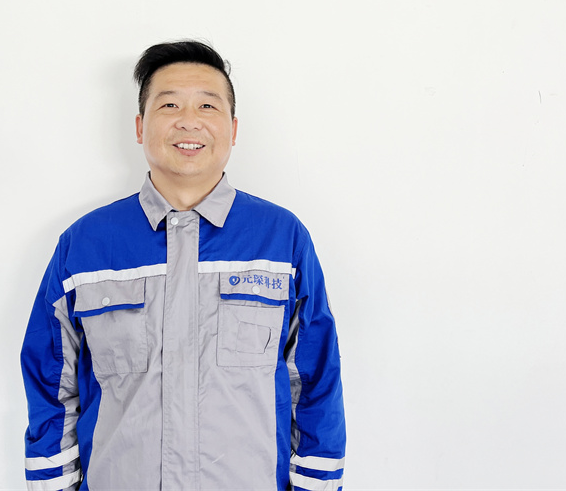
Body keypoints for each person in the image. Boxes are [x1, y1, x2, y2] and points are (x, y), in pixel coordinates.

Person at [20, 40, 346, 491]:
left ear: (233, 128)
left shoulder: (281, 239)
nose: (189, 120)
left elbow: (314, 382)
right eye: (169, 104)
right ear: (140, 126)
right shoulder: (86, 246)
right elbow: (51, 389)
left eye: (207, 105)